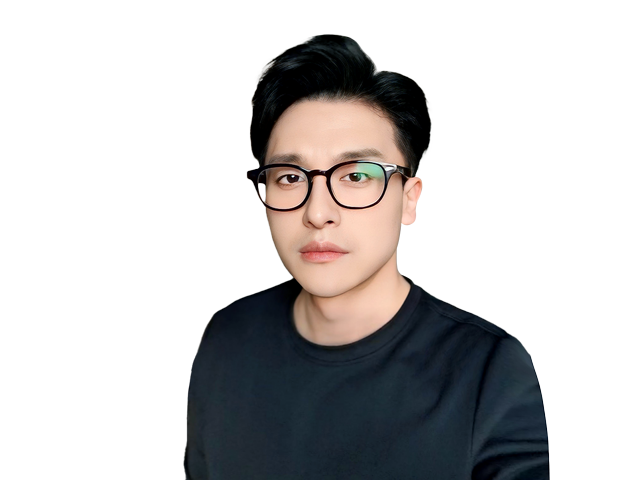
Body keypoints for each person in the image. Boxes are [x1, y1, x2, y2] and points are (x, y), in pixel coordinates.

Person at [184, 33, 549, 480]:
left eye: (357, 175)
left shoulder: (490, 374)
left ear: (411, 201)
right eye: (290, 177)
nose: (317, 212)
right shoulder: (226, 337)